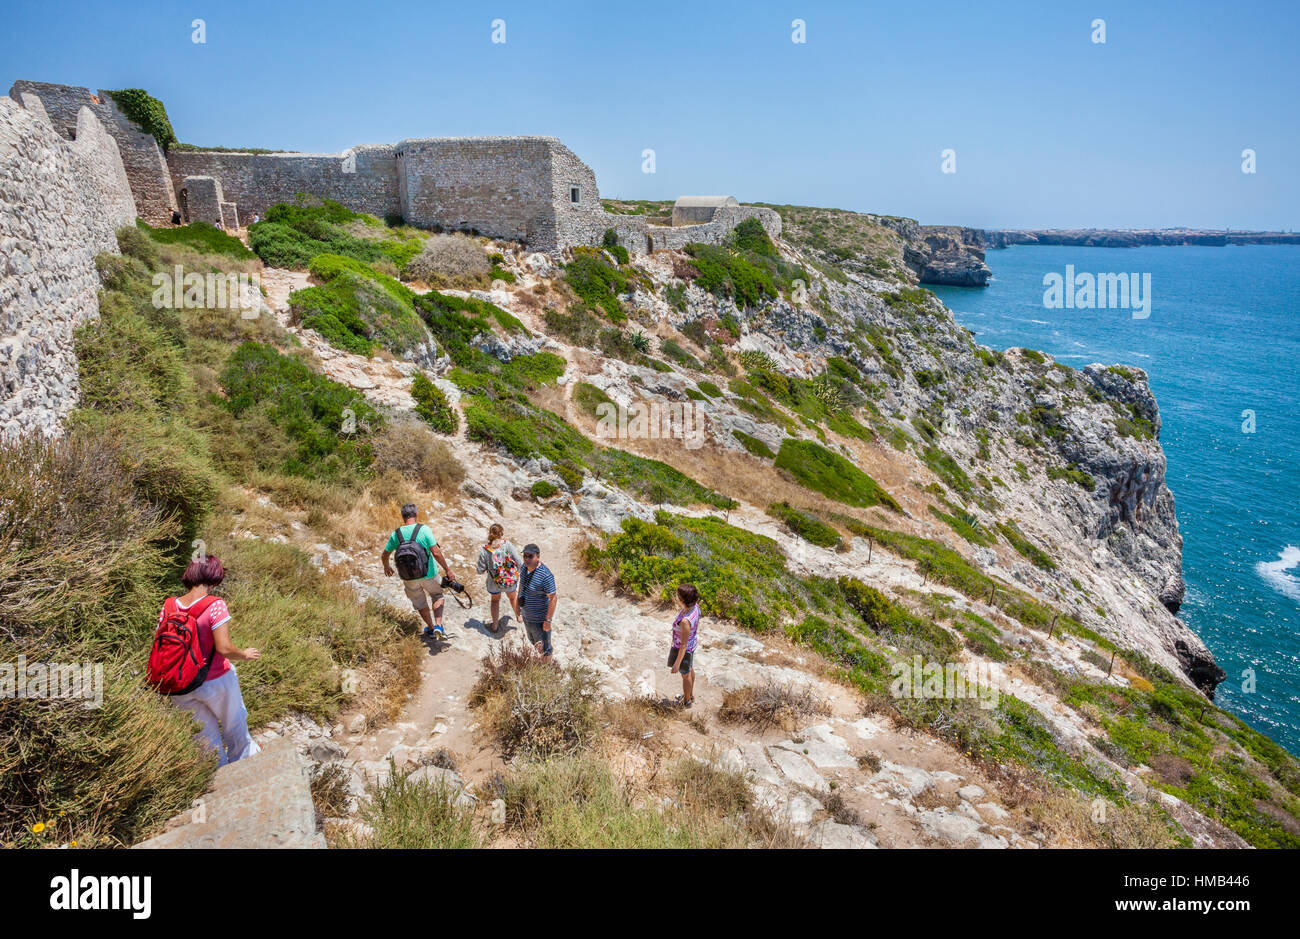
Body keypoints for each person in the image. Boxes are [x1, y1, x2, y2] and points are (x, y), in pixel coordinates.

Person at [164, 555, 262, 766]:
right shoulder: (215, 605)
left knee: (205, 739)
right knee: (235, 726)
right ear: (215, 579)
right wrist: (244, 654)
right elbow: (224, 647)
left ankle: (218, 780)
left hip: (179, 685)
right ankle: (245, 770)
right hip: (215, 680)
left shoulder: (169, 606)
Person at [381, 503, 457, 639]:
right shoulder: (424, 530)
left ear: (403, 517)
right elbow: (436, 552)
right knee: (437, 595)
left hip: (408, 577)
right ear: (416, 515)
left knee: (420, 602)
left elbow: (384, 554)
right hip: (429, 573)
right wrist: (447, 570)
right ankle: (438, 626)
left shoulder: (396, 534)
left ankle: (431, 628)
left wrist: (387, 566)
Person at [476, 523, 522, 633]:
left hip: (493, 582)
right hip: (509, 580)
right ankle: (519, 617)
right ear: (501, 533)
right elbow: (519, 562)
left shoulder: (485, 550)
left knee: (495, 601)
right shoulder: (508, 545)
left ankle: (495, 626)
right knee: (513, 598)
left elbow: (480, 570)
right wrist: (516, 573)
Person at [518, 543, 557, 661]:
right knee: (534, 643)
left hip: (539, 620)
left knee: (545, 649)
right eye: (525, 556)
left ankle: (547, 671)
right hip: (527, 617)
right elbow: (521, 585)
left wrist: (548, 620)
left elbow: (553, 598)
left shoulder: (545, 575)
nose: (527, 559)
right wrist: (517, 608)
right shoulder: (524, 568)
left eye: (530, 556)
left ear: (538, 556)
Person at [669, 583, 701, 708]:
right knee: (690, 668)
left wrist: (676, 664)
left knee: (685, 674)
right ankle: (690, 694)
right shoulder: (695, 607)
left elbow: (683, 645)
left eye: (678, 596)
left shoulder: (685, 622)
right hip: (692, 645)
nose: (677, 597)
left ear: (683, 599)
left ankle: (687, 701)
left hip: (684, 650)